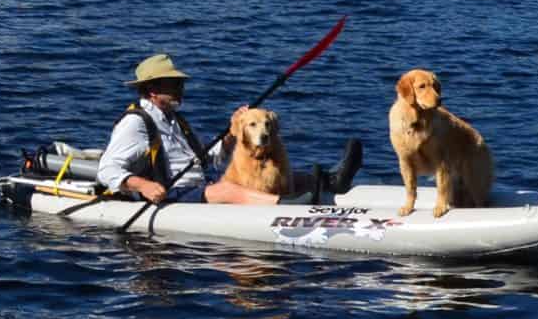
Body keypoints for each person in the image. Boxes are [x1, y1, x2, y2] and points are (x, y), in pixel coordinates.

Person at [98, 54, 363, 207]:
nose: (180, 88)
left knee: (286, 175)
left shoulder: (176, 120)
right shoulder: (135, 123)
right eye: (173, 84)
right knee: (228, 190)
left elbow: (208, 158)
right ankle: (285, 207)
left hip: (199, 187)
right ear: (152, 90)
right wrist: (143, 185)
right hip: (172, 194)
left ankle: (329, 181)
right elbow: (107, 169)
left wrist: (231, 135)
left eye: (179, 83)